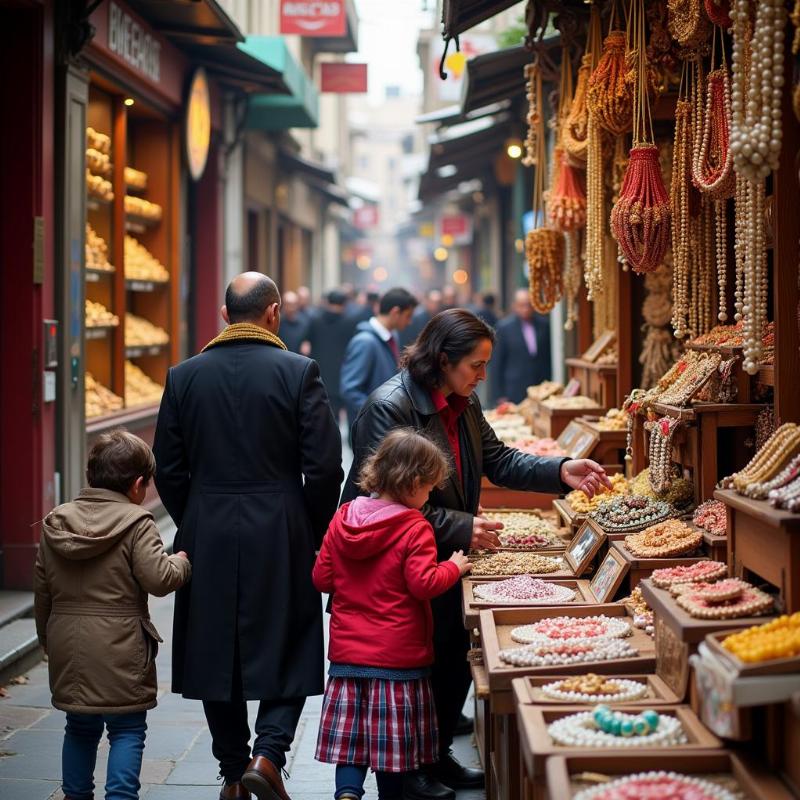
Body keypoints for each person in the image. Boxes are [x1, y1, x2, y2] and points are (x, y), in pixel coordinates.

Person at [341, 309, 610, 799]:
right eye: (476, 365)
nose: (483, 375)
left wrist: (561, 470)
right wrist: (462, 525)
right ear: (443, 360)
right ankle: (406, 776)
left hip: (441, 552)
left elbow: (500, 459)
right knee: (410, 669)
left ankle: (435, 755)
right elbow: (383, 500)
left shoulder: (463, 403)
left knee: (449, 658)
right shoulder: (389, 407)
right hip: (396, 566)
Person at [153, 272, 343, 800]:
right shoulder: (298, 371)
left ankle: (233, 772)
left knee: (216, 647)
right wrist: (307, 520)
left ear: (223, 315)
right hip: (281, 522)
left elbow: (167, 467)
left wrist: (193, 515)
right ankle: (269, 755)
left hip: (206, 526)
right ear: (274, 314)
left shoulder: (184, 376)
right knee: (292, 636)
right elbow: (326, 467)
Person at [313, 428, 472, 800]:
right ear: (414, 482)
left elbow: (321, 577)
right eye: (430, 488)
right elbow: (423, 584)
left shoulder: (344, 516)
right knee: (390, 747)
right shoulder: (414, 527)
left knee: (352, 739)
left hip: (349, 656)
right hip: (398, 659)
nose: (430, 495)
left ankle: (348, 792)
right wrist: (454, 566)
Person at [33, 429, 191, 800]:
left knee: (79, 728)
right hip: (120, 648)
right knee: (127, 729)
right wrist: (181, 562)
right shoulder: (138, 524)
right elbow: (159, 578)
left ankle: (75, 795)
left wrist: (47, 640)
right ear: (138, 484)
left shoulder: (57, 522)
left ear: (91, 476)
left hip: (68, 646)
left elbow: (43, 592)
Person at [340, 287, 417, 429]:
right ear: (395, 312)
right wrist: (379, 412)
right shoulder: (365, 342)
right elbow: (350, 390)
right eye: (408, 316)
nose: (409, 322)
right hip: (372, 427)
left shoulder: (392, 335)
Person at [491, 288, 552, 404]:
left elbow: (547, 357)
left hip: (540, 388)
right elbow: (497, 363)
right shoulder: (504, 328)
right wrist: (499, 395)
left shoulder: (544, 326)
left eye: (529, 305)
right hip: (514, 390)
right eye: (522, 305)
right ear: (514, 306)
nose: (526, 309)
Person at [307, 289, 357, 420]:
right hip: (341, 374)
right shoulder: (350, 322)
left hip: (318, 373)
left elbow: (307, 344)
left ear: (327, 302)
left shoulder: (315, 320)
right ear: (344, 304)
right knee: (336, 416)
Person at [278, 290, 310, 355]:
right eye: (288, 304)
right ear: (283, 305)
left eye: (293, 304)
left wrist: (307, 343)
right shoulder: (278, 322)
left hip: (299, 359)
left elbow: (308, 339)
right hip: (283, 357)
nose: (291, 307)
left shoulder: (305, 322)